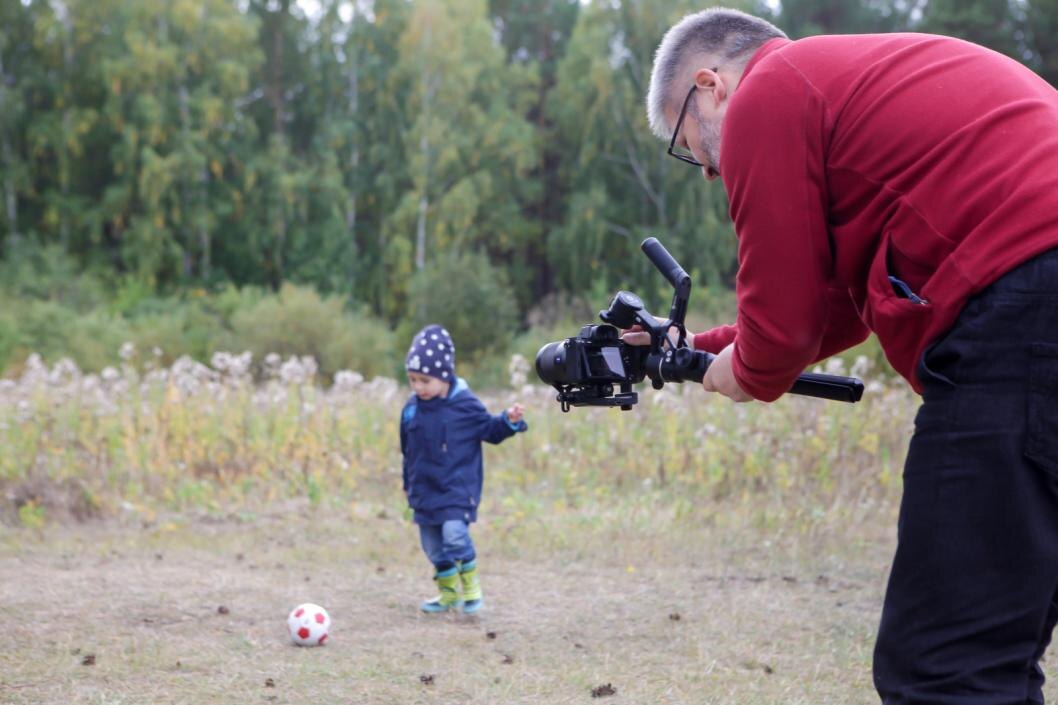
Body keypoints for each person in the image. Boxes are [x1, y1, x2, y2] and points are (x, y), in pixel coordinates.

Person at [640, 8, 1058, 704]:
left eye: (690, 144)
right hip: (1036, 292)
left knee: (945, 668)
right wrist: (693, 348)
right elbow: (825, 310)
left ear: (711, 85)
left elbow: (782, 337)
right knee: (994, 651)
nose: (709, 172)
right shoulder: (845, 91)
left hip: (1023, 306)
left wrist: (744, 373)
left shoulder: (770, 90)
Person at [399, 324, 527, 614]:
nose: (418, 387)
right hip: (424, 488)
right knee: (432, 545)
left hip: (458, 487)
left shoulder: (465, 405)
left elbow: (490, 430)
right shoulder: (412, 409)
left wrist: (508, 421)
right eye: (412, 380)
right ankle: (447, 593)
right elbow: (408, 451)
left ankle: (471, 586)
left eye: (424, 380)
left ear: (444, 375)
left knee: (454, 535)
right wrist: (408, 482)